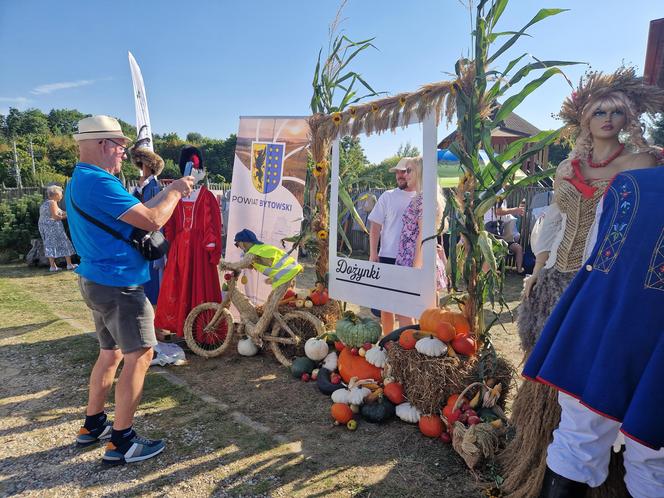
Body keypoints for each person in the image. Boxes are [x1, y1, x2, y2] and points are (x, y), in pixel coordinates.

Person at [498, 67, 664, 497]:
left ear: (629, 118)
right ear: (584, 121)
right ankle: (538, 462)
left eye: (616, 111)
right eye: (599, 112)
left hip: (614, 280)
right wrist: (537, 270)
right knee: (562, 386)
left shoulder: (644, 163)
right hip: (563, 277)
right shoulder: (569, 166)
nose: (608, 119)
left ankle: (606, 481)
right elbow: (556, 219)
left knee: (601, 382)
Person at [523, 167, 664, 498]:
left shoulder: (627, 183)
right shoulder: (625, 182)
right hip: (639, 328)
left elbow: (594, 252)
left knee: (579, 437)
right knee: (654, 461)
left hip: (602, 320)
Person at [66, 115, 194, 464]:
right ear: (104, 145)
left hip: (96, 278)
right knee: (141, 354)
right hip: (120, 284)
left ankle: (93, 425)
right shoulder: (99, 182)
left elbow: (136, 214)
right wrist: (174, 191)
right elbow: (152, 220)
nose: (124, 153)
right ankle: (122, 441)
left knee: (111, 353)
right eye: (121, 147)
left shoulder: (81, 179)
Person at [154, 146, 223, 338]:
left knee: (198, 285)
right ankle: (183, 328)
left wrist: (212, 246)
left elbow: (213, 224)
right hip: (180, 250)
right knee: (182, 285)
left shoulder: (206, 196)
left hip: (198, 249)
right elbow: (168, 221)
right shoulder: (175, 195)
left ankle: (201, 330)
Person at [222, 229, 303, 342]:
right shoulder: (260, 249)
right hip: (287, 274)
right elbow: (250, 264)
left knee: (270, 308)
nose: (238, 246)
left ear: (244, 242)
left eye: (237, 244)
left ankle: (257, 331)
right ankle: (272, 326)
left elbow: (243, 263)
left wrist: (226, 265)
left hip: (287, 274)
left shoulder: (253, 251)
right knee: (269, 303)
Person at [394, 157, 447, 325]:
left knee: (406, 311)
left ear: (421, 173)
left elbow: (423, 234)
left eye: (409, 170)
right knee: (424, 315)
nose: (405, 174)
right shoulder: (425, 197)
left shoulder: (423, 199)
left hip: (415, 261)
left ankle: (408, 348)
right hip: (418, 259)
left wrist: (415, 267)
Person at [368, 157, 417, 333]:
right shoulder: (388, 196)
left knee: (407, 306)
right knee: (385, 305)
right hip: (387, 256)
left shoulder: (422, 197)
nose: (399, 175)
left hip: (412, 259)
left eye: (404, 171)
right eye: (397, 171)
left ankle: (406, 345)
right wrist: (373, 253)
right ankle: (388, 340)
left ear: (413, 172)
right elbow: (375, 225)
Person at [130, 146, 165, 305]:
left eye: (143, 164)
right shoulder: (140, 186)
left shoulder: (155, 187)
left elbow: (155, 212)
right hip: (138, 234)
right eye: (140, 164)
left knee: (153, 278)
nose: (142, 168)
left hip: (150, 236)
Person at [38, 184, 77, 271]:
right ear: (56, 194)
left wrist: (69, 212)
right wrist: (68, 216)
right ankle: (69, 264)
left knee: (50, 245)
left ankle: (53, 266)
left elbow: (60, 212)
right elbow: (55, 216)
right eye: (60, 194)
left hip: (46, 228)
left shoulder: (46, 203)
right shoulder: (52, 202)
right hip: (53, 227)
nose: (62, 196)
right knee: (65, 242)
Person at [483, 194, 525, 273]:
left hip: (504, 237)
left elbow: (515, 235)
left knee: (513, 248)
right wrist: (515, 210)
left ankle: (518, 270)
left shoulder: (510, 219)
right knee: (494, 249)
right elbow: (498, 211)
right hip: (493, 228)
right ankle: (489, 271)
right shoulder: (499, 192)